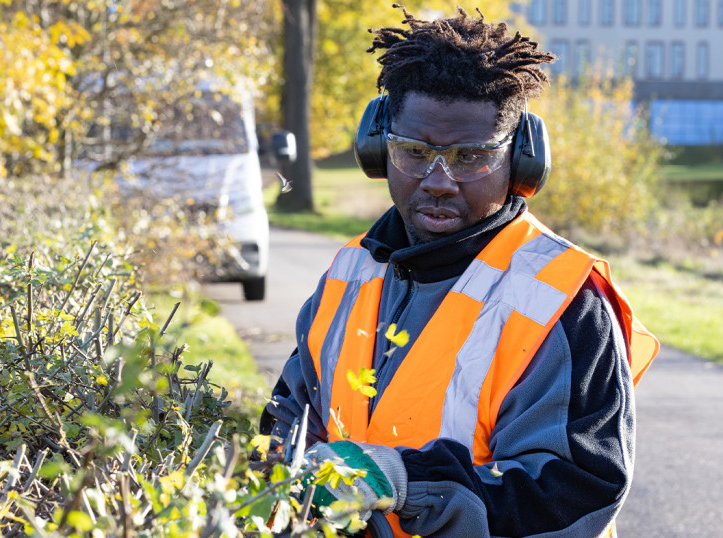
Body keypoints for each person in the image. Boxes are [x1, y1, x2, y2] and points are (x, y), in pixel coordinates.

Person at [260, 6, 659, 537]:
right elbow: (289, 417)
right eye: (415, 151)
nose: (439, 180)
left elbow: (575, 490)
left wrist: (408, 482)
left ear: (520, 161)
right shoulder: (350, 272)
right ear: (378, 148)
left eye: (471, 157)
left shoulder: (561, 300)